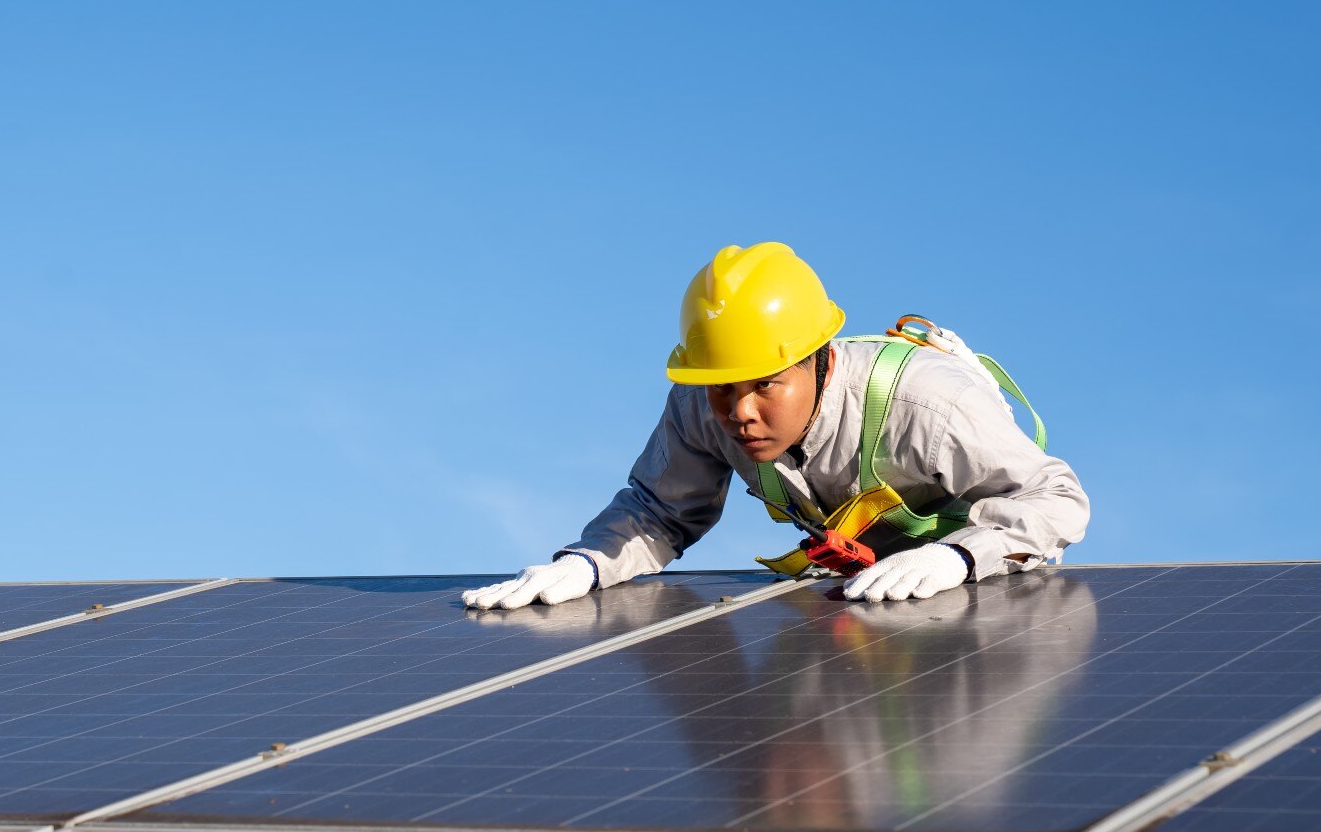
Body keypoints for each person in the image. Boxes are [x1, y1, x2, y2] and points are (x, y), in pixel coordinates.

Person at [463, 242, 1090, 610]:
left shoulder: (928, 407)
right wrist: (588, 563)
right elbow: (658, 511)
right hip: (866, 601)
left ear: (819, 360)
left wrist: (959, 556)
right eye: (723, 388)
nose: (739, 412)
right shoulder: (701, 406)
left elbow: (1056, 498)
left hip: (983, 590)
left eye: (765, 384)